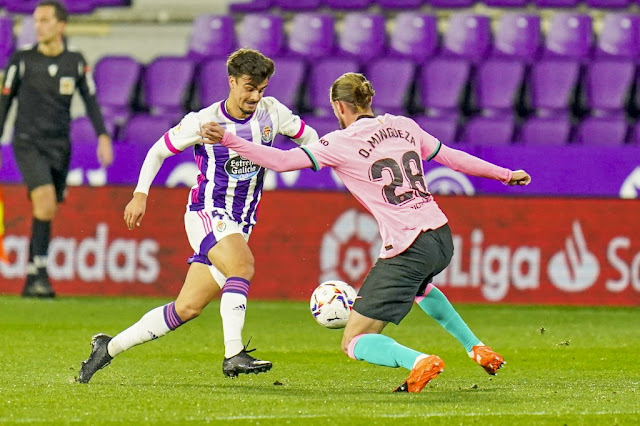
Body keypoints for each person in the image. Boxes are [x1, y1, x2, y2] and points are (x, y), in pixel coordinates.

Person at [197, 72, 532, 393]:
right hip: (441, 236)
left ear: (339, 107)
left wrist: (229, 139)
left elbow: (282, 162)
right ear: (369, 100)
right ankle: (476, 347)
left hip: (408, 243)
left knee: (354, 340)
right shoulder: (403, 126)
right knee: (422, 288)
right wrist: (505, 174)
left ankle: (420, 362)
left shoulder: (340, 142)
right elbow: (453, 158)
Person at [76, 48, 319, 384]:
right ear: (232, 82)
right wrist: (140, 194)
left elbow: (310, 139)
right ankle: (233, 353)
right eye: (249, 88)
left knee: (186, 308)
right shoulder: (203, 121)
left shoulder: (272, 113)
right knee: (242, 267)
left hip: (242, 222)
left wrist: (308, 158)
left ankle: (108, 348)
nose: (255, 97)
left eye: (261, 89)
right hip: (207, 212)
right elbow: (158, 150)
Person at [0, 0, 113, 298]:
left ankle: (34, 274)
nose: (38, 26)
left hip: (59, 146)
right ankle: (39, 274)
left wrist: (102, 135)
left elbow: (90, 99)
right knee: (45, 201)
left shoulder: (75, 62)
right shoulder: (22, 60)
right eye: (36, 20)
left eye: (45, 20)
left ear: (61, 25)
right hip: (27, 141)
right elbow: (4, 103)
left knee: (48, 210)